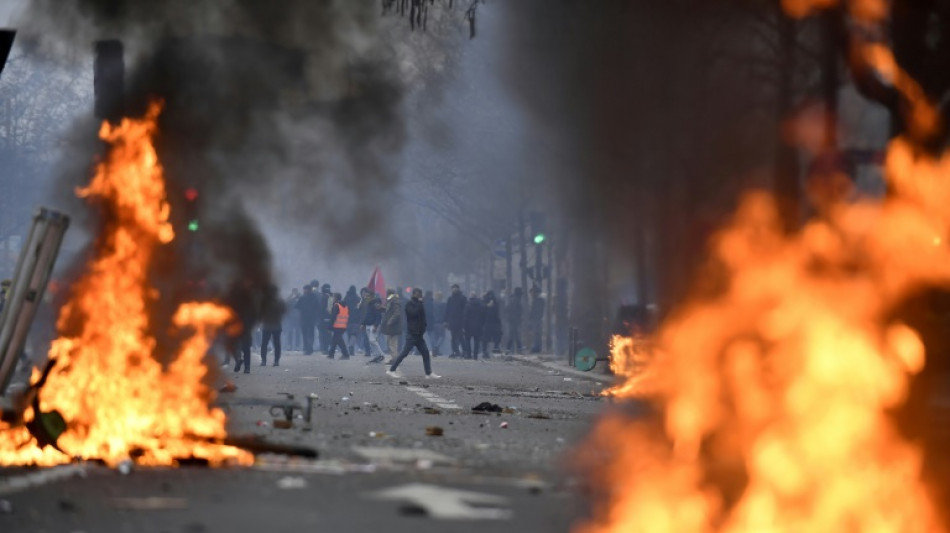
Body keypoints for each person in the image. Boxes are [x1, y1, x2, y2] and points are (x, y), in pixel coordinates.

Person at [386, 288, 440, 379]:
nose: (419, 296)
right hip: (412, 333)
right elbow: (413, 314)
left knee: (425, 353)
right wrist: (420, 304)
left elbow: (423, 317)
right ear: (414, 294)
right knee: (404, 353)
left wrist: (424, 327)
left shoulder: (420, 304)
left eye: (420, 294)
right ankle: (391, 370)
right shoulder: (409, 304)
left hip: (419, 334)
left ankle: (428, 373)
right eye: (418, 294)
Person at [260, 284, 285, 366]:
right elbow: (283, 311)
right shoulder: (279, 301)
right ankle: (276, 361)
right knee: (276, 344)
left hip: (267, 325)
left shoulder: (264, 301)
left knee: (264, 344)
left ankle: (264, 361)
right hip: (276, 325)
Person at [379, 289, 403, 364]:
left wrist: (390, 321)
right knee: (389, 342)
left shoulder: (395, 302)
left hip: (394, 326)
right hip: (391, 326)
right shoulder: (391, 301)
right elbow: (389, 311)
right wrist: (382, 308)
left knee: (392, 343)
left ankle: (395, 359)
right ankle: (394, 358)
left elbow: (397, 313)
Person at [295, 284, 320, 355]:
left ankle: (307, 348)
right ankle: (309, 348)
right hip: (311, 319)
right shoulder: (314, 297)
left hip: (304, 319)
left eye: (305, 289)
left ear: (308, 289)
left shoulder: (302, 297)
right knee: (310, 334)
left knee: (305, 334)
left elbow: (297, 306)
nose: (304, 291)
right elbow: (318, 308)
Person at [362, 289, 385, 361]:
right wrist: (363, 324)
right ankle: (376, 356)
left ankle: (381, 354)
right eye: (365, 296)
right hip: (368, 324)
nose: (366, 297)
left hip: (373, 325)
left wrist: (376, 325)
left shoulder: (376, 303)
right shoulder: (368, 304)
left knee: (372, 340)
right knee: (370, 341)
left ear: (372, 296)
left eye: (367, 296)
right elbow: (367, 315)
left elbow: (378, 315)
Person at [444, 284, 466, 358]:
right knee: (453, 338)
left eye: (455, 288)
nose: (454, 289)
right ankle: (455, 351)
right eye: (453, 288)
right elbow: (447, 310)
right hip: (452, 322)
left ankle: (464, 351)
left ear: (458, 289)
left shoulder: (463, 298)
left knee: (461, 337)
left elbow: (465, 311)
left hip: (460, 322)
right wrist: (446, 320)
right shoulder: (450, 299)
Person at [327, 292, 351, 359]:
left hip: (337, 325)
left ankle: (345, 354)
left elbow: (333, 317)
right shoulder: (346, 306)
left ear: (336, 298)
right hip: (343, 326)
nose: (333, 299)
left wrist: (329, 327)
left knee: (339, 341)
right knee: (335, 340)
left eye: (334, 297)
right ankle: (331, 354)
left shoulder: (336, 306)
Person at [463, 291, 485, 360]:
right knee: (477, 341)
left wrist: (464, 326)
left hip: (469, 326)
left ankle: (469, 354)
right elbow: (483, 316)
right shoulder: (481, 305)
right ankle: (475, 355)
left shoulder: (467, 305)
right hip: (478, 325)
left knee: (467, 340)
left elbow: (465, 317)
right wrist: (482, 324)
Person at [482, 290, 502, 357]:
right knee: (486, 338)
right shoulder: (486, 302)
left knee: (494, 336)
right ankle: (485, 351)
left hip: (492, 322)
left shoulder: (495, 303)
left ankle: (493, 348)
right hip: (488, 322)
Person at [343, 285, 362, 355]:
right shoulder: (358, 299)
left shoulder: (346, 298)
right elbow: (361, 310)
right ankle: (351, 346)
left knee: (349, 334)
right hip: (356, 320)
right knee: (354, 334)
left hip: (347, 319)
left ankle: (351, 348)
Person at [505, 287, 524, 354]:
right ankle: (518, 349)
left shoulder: (512, 299)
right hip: (514, 321)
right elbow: (519, 310)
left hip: (512, 320)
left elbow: (507, 309)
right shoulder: (516, 300)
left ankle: (509, 349)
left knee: (513, 335)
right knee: (515, 335)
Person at [528, 285, 545, 353]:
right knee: (536, 334)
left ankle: (536, 348)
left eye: (532, 293)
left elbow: (535, 311)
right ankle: (537, 347)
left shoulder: (538, 300)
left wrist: (531, 318)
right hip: (536, 320)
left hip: (537, 320)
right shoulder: (537, 300)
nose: (531, 294)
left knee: (536, 334)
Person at [318, 283, 332, 355]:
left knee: (323, 334)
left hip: (323, 319)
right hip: (330, 318)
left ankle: (324, 349)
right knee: (328, 334)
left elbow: (321, 309)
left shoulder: (323, 297)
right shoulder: (331, 296)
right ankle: (328, 348)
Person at [431, 291, 446, 356]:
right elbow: (444, 313)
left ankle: (436, 350)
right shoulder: (443, 304)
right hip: (441, 322)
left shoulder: (432, 304)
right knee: (442, 336)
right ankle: (436, 347)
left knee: (436, 336)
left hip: (434, 322)